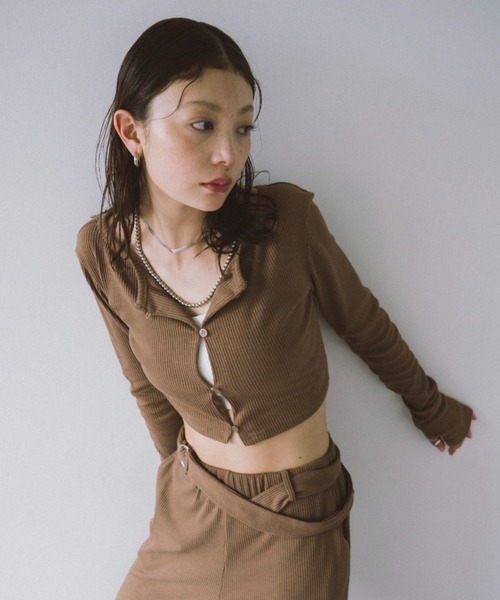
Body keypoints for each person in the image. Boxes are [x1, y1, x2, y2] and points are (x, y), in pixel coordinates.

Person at [76, 17, 475, 600]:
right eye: (203, 124)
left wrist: (431, 407)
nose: (228, 154)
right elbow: (145, 388)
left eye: (243, 128)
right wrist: (174, 479)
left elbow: (362, 324)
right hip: (190, 509)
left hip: (295, 515)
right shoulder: (102, 251)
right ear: (131, 132)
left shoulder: (285, 223)